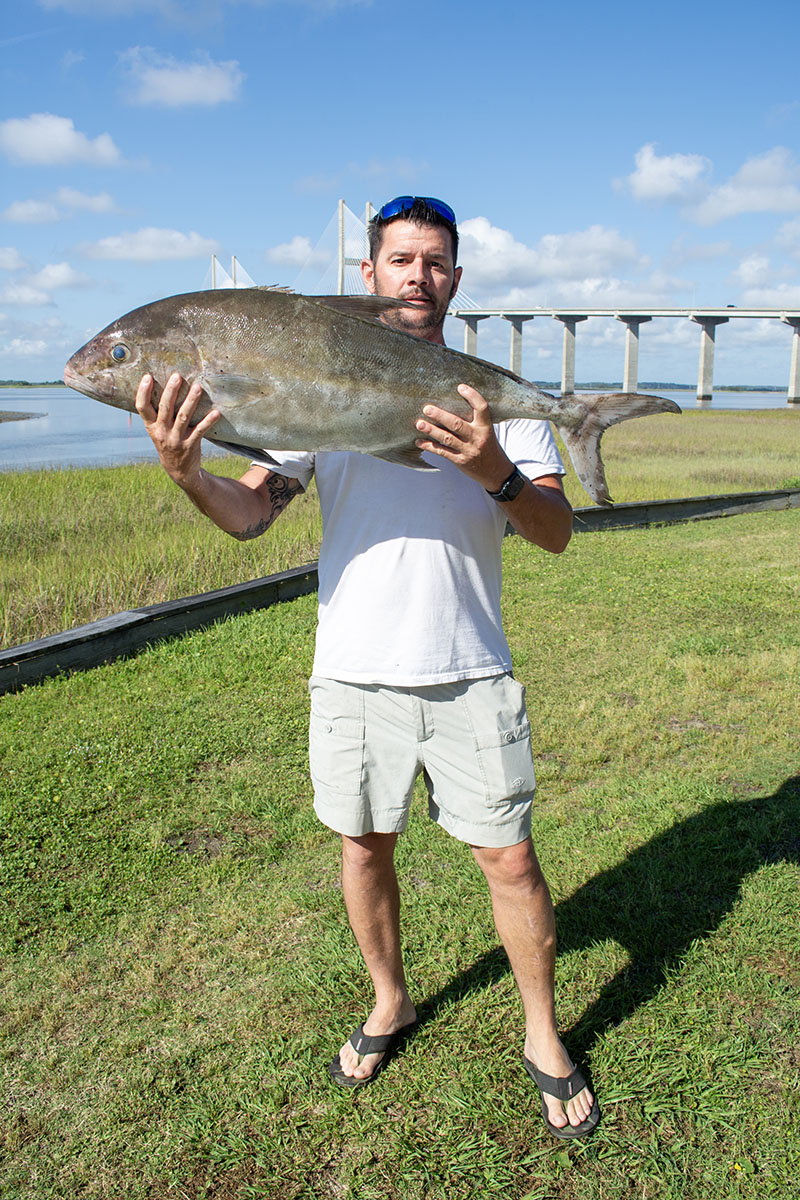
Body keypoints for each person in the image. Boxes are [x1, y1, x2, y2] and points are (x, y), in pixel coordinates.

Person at [134, 196, 599, 1139]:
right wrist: (187, 472)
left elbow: (552, 533)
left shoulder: (494, 397)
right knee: (362, 848)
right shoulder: (314, 381)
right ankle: (391, 1001)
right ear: (369, 276)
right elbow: (252, 511)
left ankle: (543, 1036)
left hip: (471, 667)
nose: (416, 275)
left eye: (434, 261)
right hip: (352, 668)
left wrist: (493, 473)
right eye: (399, 260)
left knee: (508, 857)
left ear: (455, 279)